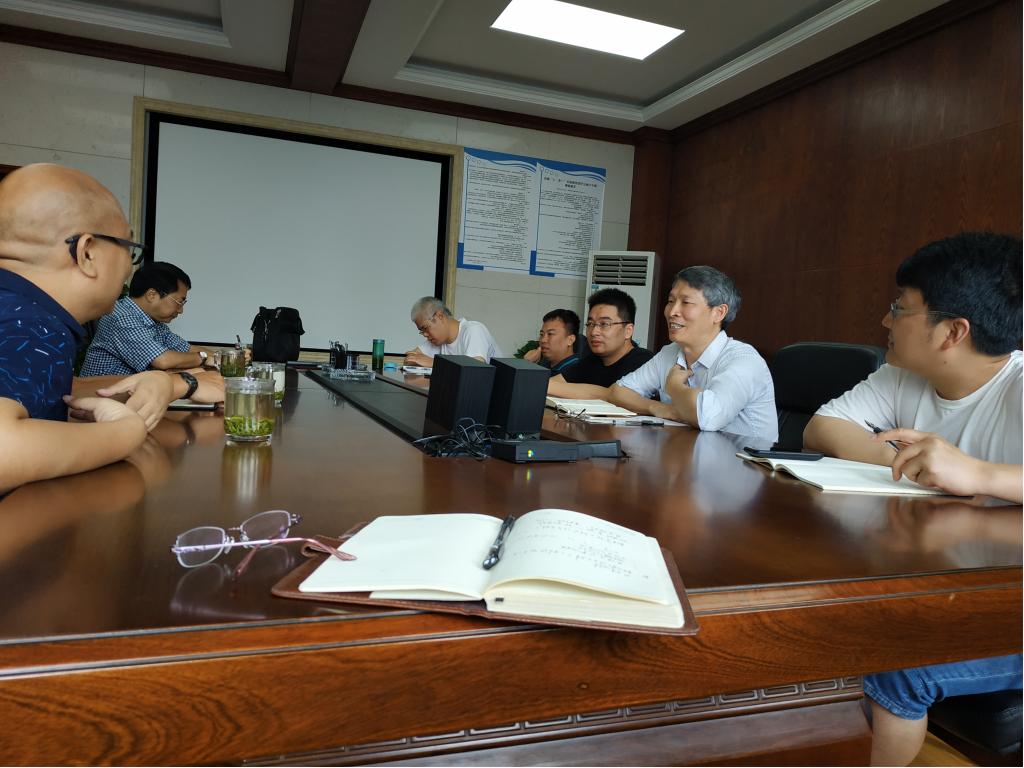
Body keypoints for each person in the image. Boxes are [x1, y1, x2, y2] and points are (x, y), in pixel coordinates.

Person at [802, 232, 1022, 765]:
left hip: (1010, 611)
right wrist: (912, 466)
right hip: (956, 585)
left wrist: (979, 474)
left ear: (953, 331)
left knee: (897, 666)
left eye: (900, 308)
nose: (886, 320)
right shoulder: (904, 374)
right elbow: (822, 428)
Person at [0, 163, 221, 494]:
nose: (129, 268)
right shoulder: (29, 323)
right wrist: (125, 431)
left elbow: (52, 394)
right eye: (128, 249)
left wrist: (171, 384)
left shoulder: (22, 309)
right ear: (87, 253)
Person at [609, 266, 777, 440]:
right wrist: (658, 408)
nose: (672, 312)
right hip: (687, 451)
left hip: (740, 456)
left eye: (686, 302)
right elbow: (618, 392)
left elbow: (708, 418)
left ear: (718, 313)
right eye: (671, 301)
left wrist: (675, 388)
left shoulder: (744, 360)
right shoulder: (670, 352)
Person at [81, 261, 213, 375]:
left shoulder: (154, 322)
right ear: (152, 295)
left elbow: (187, 349)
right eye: (179, 302)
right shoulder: (122, 317)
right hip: (101, 394)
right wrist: (202, 357)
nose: (181, 310)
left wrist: (216, 357)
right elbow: (163, 360)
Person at [547, 288, 653, 399]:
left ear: (628, 331)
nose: (593, 332)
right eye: (590, 324)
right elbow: (553, 384)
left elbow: (618, 397)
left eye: (604, 324)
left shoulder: (645, 362)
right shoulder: (593, 360)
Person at [404, 297, 503, 367]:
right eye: (422, 331)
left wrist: (434, 363)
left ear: (440, 316)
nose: (425, 334)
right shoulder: (438, 340)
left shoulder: (473, 330)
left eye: (425, 328)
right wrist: (418, 360)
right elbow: (410, 359)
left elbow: (474, 368)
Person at [523, 308, 580, 376]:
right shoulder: (543, 366)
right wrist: (527, 365)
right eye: (541, 334)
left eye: (550, 334)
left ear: (570, 340)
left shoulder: (578, 372)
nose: (543, 340)